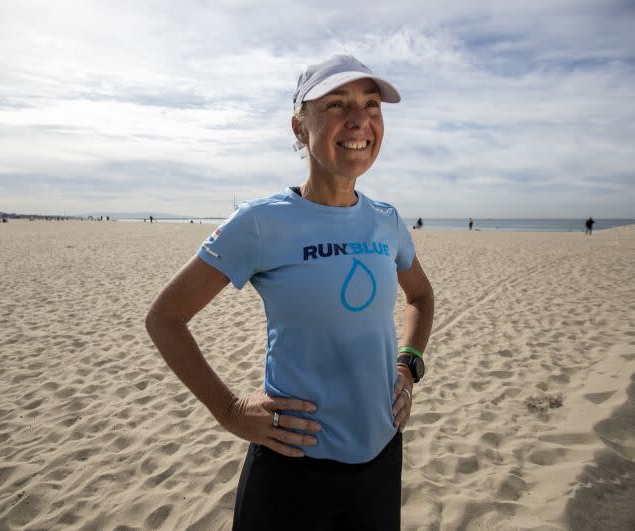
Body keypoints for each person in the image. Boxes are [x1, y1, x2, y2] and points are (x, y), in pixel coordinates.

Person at [146, 54, 434, 530]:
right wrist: (230, 409)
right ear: (300, 128)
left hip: (381, 457)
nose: (360, 119)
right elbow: (165, 317)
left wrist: (409, 365)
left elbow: (421, 297)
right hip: (292, 466)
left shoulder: (387, 220)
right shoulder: (262, 222)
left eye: (371, 105)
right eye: (338, 105)